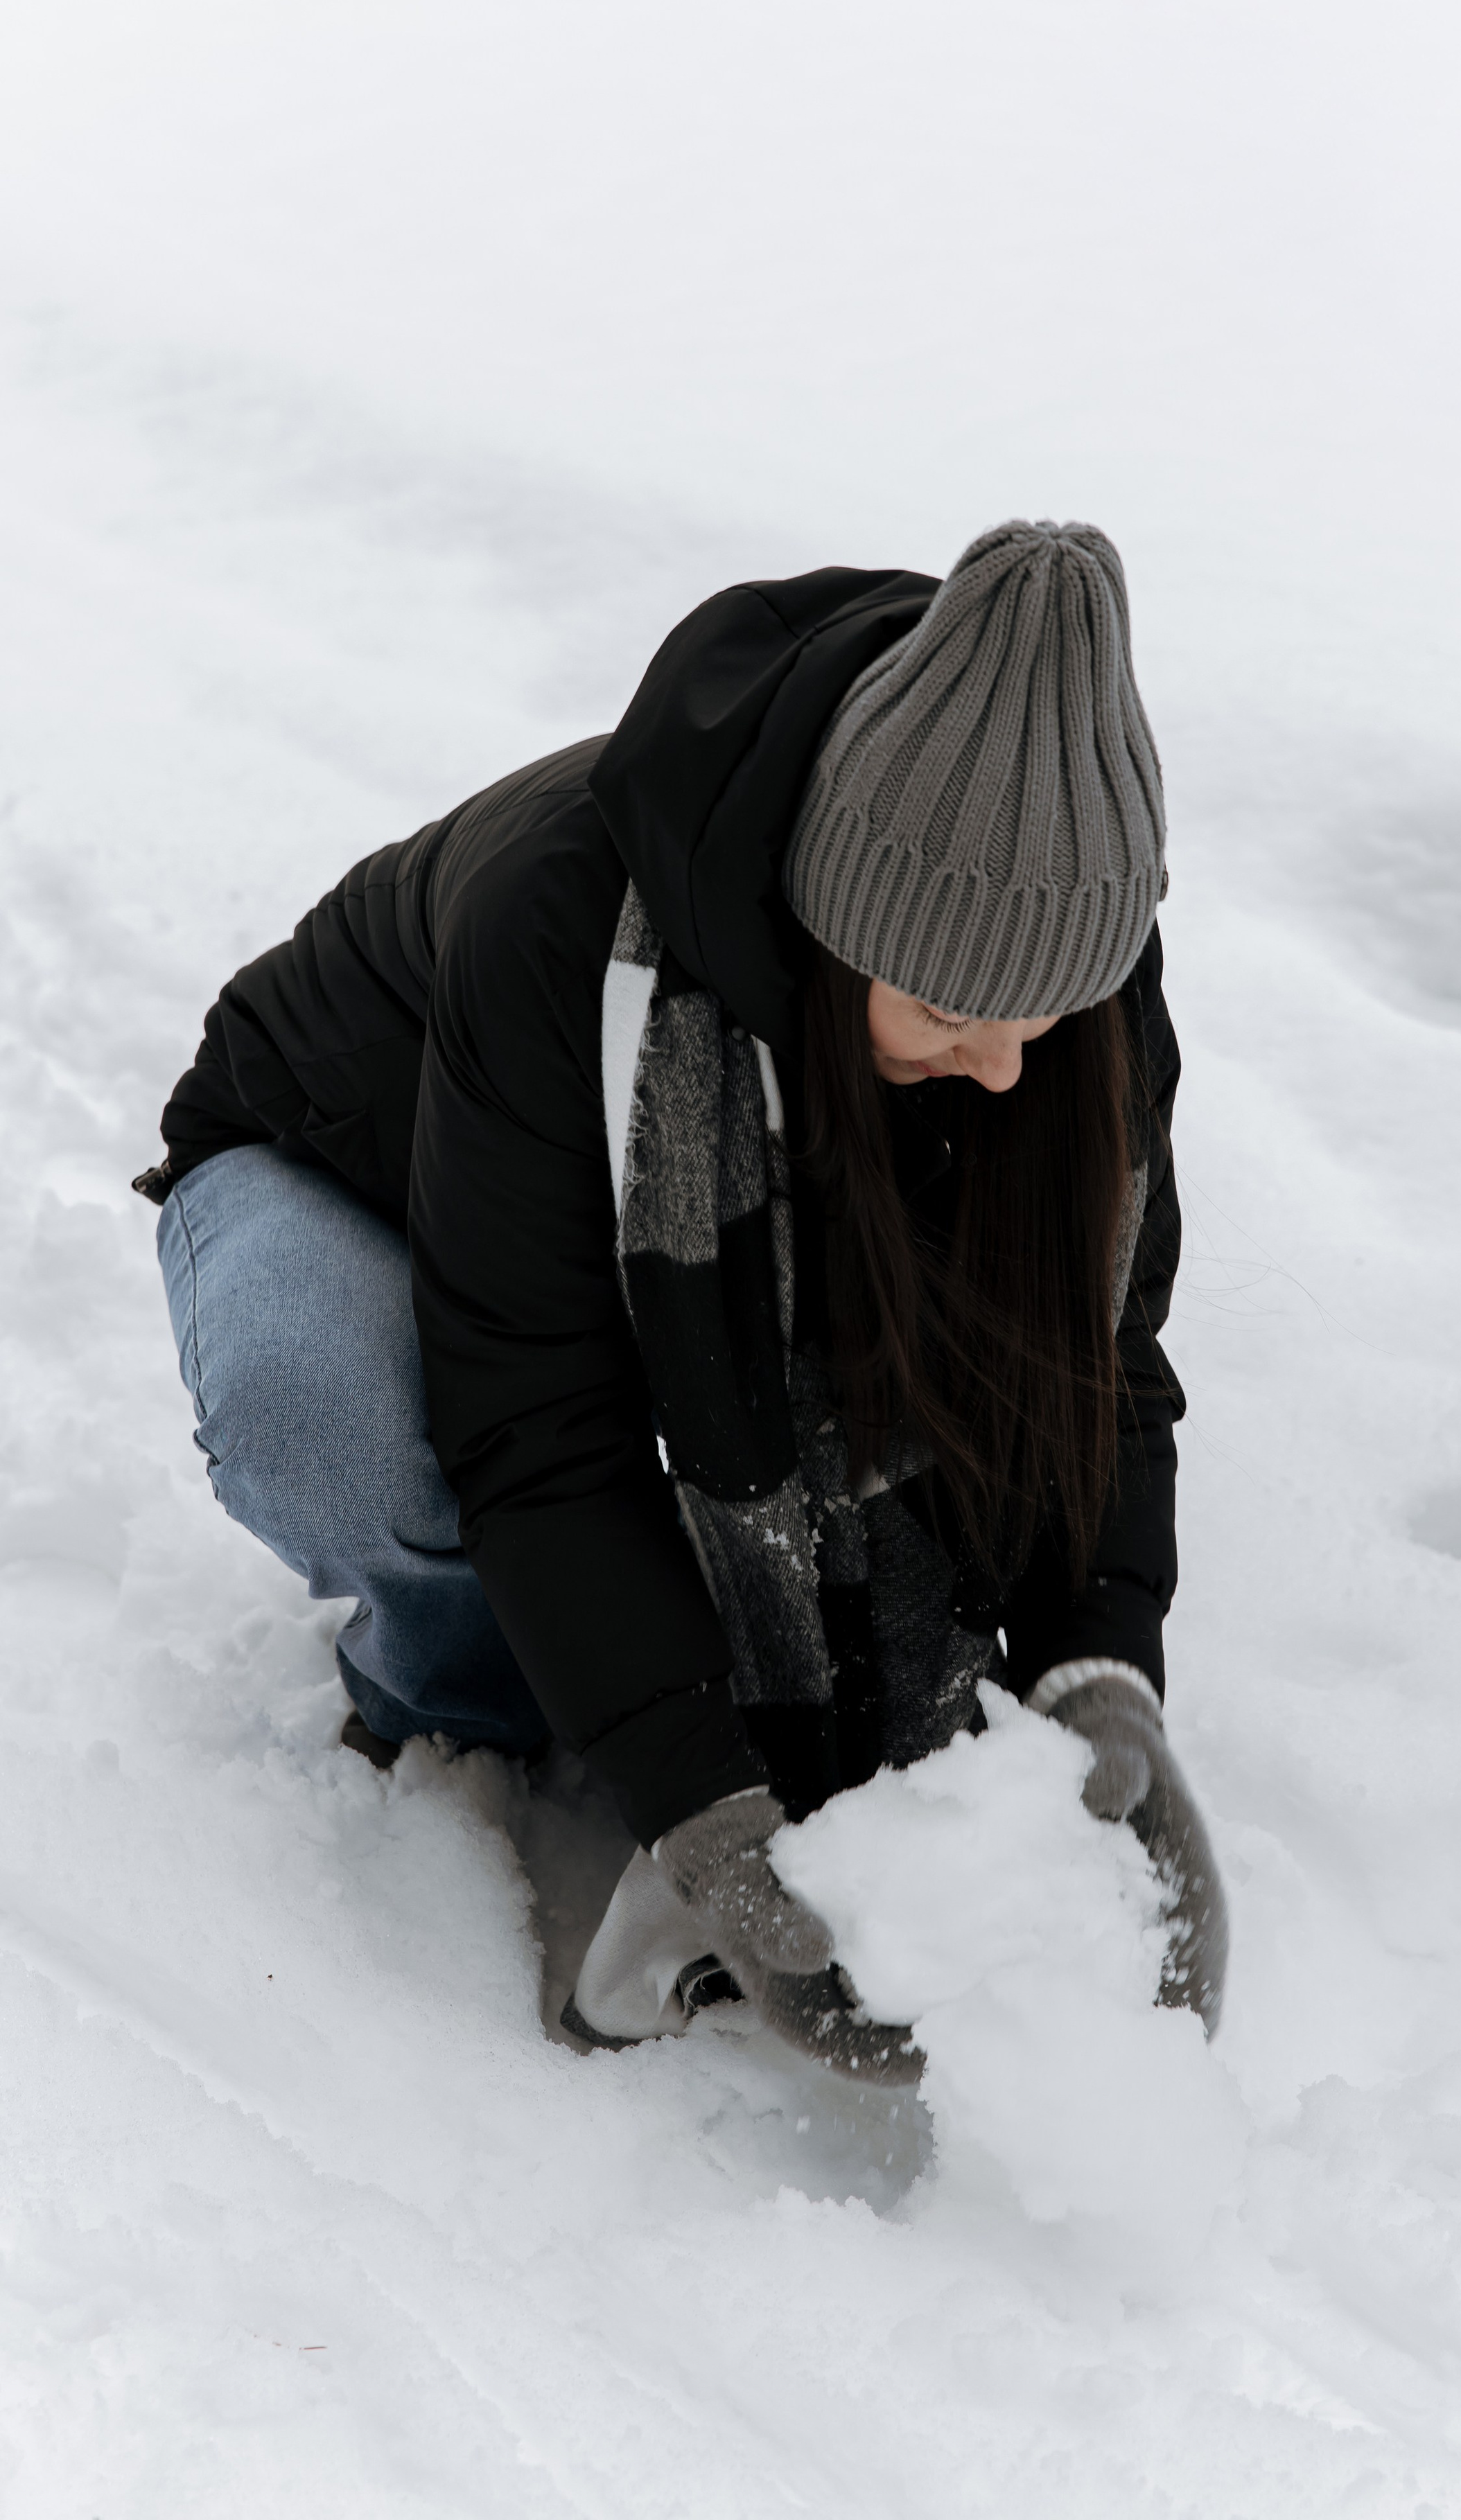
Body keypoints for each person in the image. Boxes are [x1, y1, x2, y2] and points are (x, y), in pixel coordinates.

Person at [134, 519, 1227, 2082]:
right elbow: (535, 1415)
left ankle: (629, 1655)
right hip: (343, 1185)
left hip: (622, 1230)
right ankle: (458, 1699)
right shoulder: (565, 926)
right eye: (950, 1014)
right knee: (345, 1415)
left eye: (1042, 1021)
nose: (1004, 1064)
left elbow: (1091, 1357)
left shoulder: (1052, 955)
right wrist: (702, 1807)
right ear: (837, 928)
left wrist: (1097, 1667)